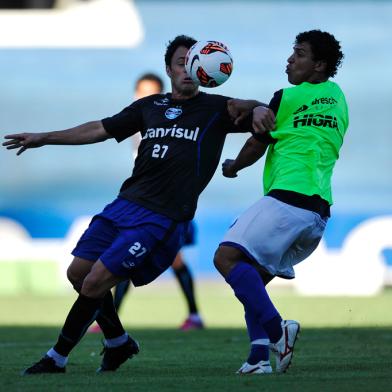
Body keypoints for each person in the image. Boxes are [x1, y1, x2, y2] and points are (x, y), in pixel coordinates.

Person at [3, 34, 257, 375]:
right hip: (125, 204)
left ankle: (56, 358)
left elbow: (252, 108)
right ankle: (119, 341)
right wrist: (45, 138)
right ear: (168, 68)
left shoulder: (215, 109)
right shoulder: (148, 107)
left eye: (194, 62)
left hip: (162, 216)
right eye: (181, 62)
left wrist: (263, 107)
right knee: (78, 274)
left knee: (95, 283)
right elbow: (99, 128)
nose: (188, 68)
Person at [213, 29, 348, 375]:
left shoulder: (285, 98)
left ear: (318, 65)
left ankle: (278, 332)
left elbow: (258, 143)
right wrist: (258, 106)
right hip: (318, 214)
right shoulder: (338, 98)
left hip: (289, 198)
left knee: (226, 257)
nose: (290, 59)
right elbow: (292, 118)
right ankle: (259, 359)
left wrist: (233, 166)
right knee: (251, 282)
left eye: (299, 54)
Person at [88, 73, 204, 333]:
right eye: (141, 92)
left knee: (170, 260)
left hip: (169, 206)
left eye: (151, 91)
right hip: (146, 204)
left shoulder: (168, 122)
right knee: (125, 258)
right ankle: (111, 318)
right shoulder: (138, 121)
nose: (145, 96)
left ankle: (194, 315)